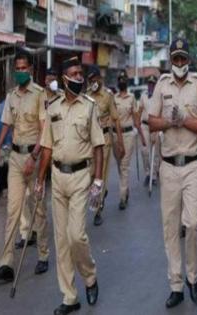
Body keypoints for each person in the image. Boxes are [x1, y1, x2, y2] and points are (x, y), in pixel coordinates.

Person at [35, 56, 104, 315]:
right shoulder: (53, 108)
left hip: (80, 177)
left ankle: (90, 276)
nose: (78, 78)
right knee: (62, 241)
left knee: (77, 235)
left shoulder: (89, 106)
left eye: (80, 74)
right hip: (58, 176)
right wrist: (40, 181)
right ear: (63, 79)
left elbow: (98, 145)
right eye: (73, 74)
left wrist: (98, 180)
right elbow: (46, 148)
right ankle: (70, 297)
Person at [148, 38, 197, 308]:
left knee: (193, 223)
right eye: (176, 59)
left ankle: (193, 278)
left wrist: (184, 120)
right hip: (169, 167)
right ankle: (176, 284)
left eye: (184, 59)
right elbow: (151, 121)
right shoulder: (162, 85)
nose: (180, 64)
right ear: (170, 61)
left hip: (193, 165)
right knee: (170, 227)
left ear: (189, 61)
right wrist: (168, 121)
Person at [0, 50, 50, 282]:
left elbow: (45, 129)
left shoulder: (39, 94)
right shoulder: (12, 96)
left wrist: (34, 157)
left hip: (33, 158)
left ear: (31, 70)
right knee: (13, 210)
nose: (21, 72)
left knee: (38, 208)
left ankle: (43, 254)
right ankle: (6, 264)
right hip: (15, 158)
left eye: (25, 68)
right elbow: (6, 123)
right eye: (18, 68)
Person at [16, 68, 61, 249]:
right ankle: (29, 231)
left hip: (56, 147)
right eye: (49, 79)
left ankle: (58, 227)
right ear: (45, 80)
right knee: (29, 194)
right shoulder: (39, 96)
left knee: (55, 189)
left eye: (54, 79)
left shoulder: (63, 97)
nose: (51, 82)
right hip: (39, 145)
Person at [87, 65, 125, 226]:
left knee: (99, 175)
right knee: (89, 175)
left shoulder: (108, 96)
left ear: (100, 79)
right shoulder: (86, 96)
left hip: (104, 140)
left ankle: (97, 210)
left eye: (94, 79)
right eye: (90, 80)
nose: (93, 82)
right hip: (89, 141)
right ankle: (102, 194)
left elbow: (115, 119)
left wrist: (120, 142)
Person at [113, 70, 142, 210]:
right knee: (119, 165)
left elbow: (136, 117)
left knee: (124, 165)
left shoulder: (131, 98)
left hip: (128, 135)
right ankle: (126, 189)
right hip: (115, 136)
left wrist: (141, 134)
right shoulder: (113, 98)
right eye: (120, 80)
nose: (122, 82)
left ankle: (122, 197)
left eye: (124, 80)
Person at [137, 74, 160, 186]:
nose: (151, 85)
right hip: (145, 126)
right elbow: (139, 112)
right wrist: (138, 127)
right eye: (149, 83)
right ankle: (147, 173)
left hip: (155, 126)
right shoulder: (143, 96)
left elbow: (161, 114)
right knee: (145, 151)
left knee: (155, 152)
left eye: (153, 84)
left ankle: (154, 175)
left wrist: (158, 130)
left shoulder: (159, 96)